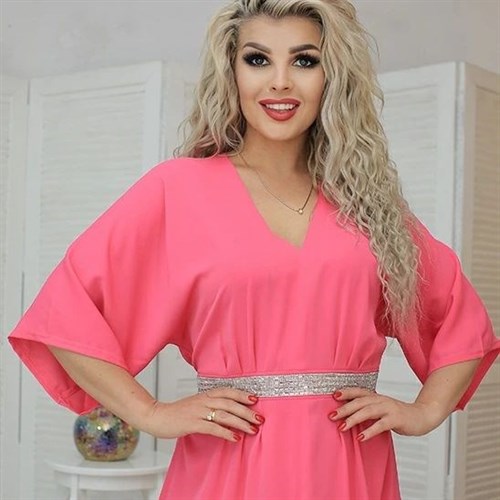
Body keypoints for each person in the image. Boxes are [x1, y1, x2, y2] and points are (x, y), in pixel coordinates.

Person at [8, 0, 499, 498]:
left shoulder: (367, 204)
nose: (280, 82)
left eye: (304, 60)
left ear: (333, 77)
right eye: (258, 59)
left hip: (347, 466)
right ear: (232, 73)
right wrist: (149, 413)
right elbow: (63, 314)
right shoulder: (178, 189)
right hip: (228, 463)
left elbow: (460, 318)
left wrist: (426, 411)